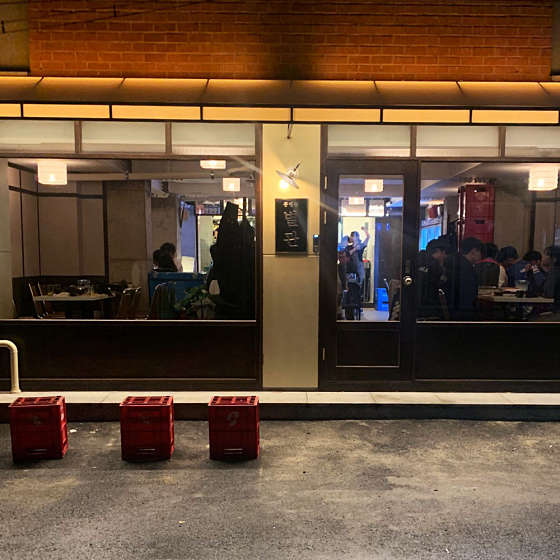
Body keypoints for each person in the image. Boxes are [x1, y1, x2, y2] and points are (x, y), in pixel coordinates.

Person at [445, 237, 483, 320]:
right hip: (462, 315)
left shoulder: (454, 263)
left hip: (452, 311)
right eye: (479, 251)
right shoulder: (466, 269)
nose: (481, 255)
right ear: (473, 251)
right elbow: (468, 296)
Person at [417, 237, 450, 318]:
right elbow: (442, 287)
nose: (445, 256)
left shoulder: (418, 261)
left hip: (413, 309)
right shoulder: (435, 266)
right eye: (444, 253)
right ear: (438, 251)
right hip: (429, 312)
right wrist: (442, 269)